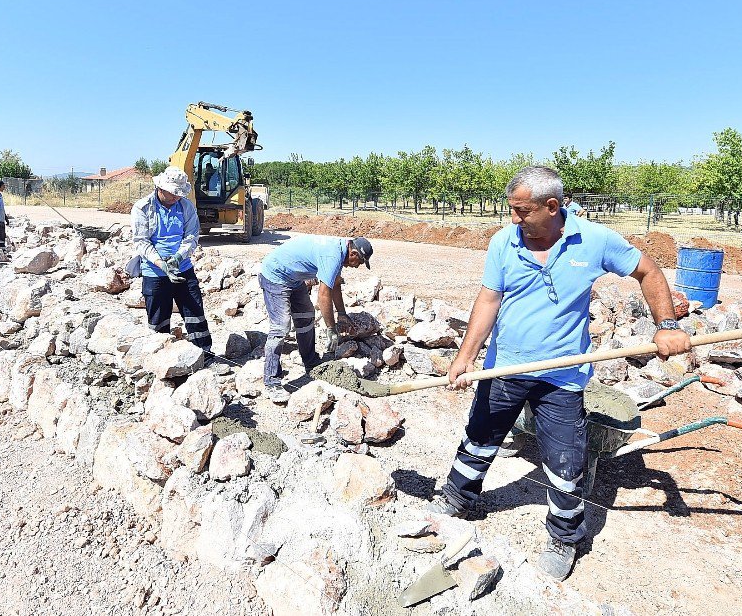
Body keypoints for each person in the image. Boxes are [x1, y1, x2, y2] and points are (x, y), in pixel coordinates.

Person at [427, 166, 691, 582]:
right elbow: (489, 299)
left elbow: (650, 272)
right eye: (511, 209)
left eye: (522, 211)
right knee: (480, 436)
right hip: (505, 366)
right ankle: (459, 497)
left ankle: (565, 537)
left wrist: (667, 325)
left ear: (553, 207)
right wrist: (466, 356)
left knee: (565, 461)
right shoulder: (503, 242)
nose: (514, 219)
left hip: (562, 376)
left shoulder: (595, 239)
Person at [259, 235, 374, 403]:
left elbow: (334, 284)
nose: (357, 266)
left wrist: (341, 313)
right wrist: (331, 329)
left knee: (306, 316)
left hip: (294, 279)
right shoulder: (333, 256)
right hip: (275, 276)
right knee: (281, 327)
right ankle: (271, 382)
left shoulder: (340, 252)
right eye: (360, 262)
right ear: (354, 253)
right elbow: (323, 295)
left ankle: (311, 363)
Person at [131, 166, 219, 368]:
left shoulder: (186, 207)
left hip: (183, 268)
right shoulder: (143, 208)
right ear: (160, 188)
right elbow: (141, 241)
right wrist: (161, 263)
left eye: (179, 194)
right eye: (172, 194)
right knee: (158, 318)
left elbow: (191, 236)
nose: (175, 198)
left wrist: (179, 257)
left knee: (195, 311)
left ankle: (204, 355)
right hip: (154, 272)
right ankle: (159, 361)